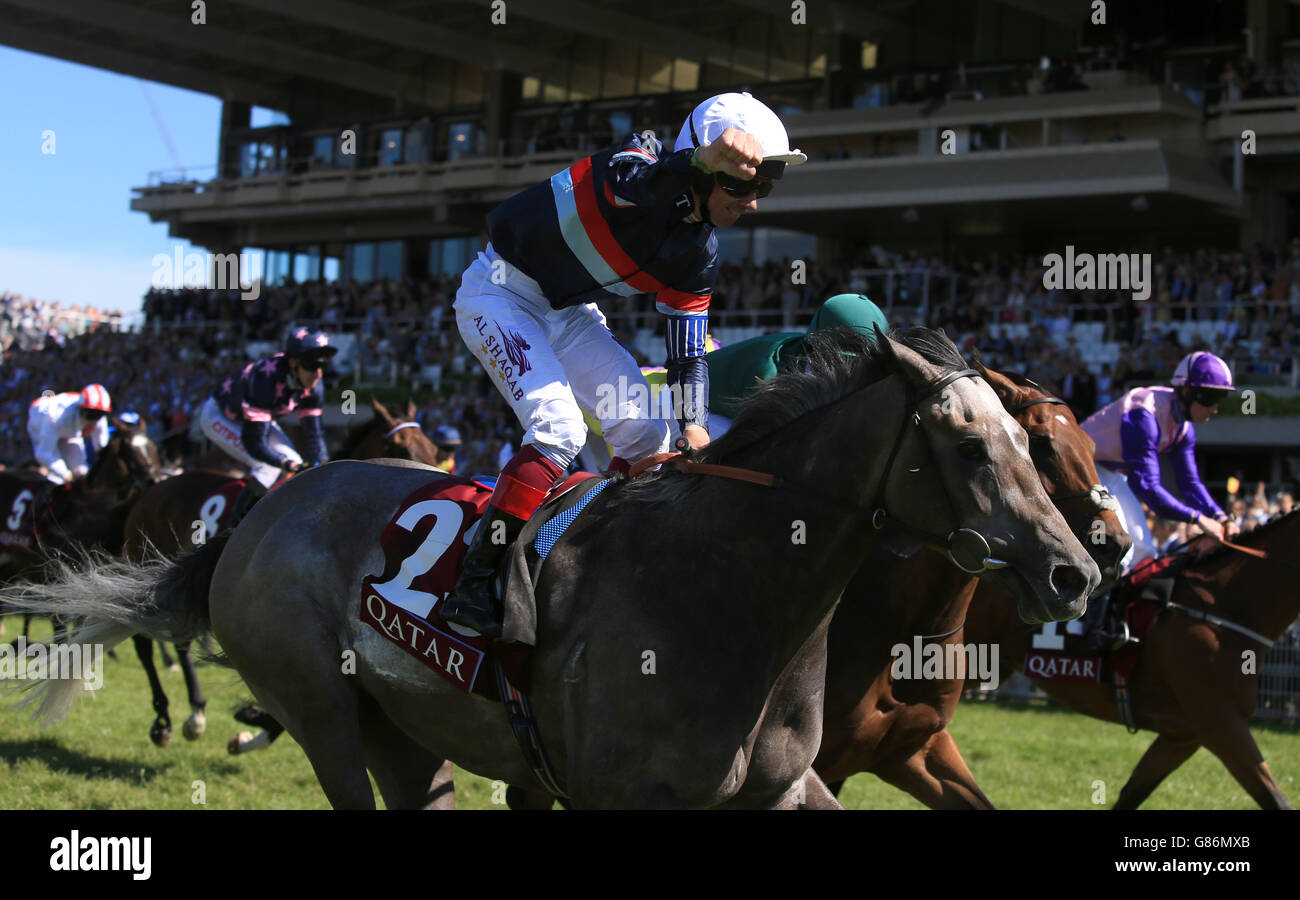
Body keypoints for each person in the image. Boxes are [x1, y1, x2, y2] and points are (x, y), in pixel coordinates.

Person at [441, 92, 806, 638]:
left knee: (645, 432)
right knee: (559, 429)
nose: (753, 202)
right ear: (702, 166)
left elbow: (687, 354)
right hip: (499, 294)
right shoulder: (636, 158)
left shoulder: (699, 253)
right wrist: (701, 163)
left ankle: (580, 555)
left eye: (764, 186)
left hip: (566, 313)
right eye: (742, 184)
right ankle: (475, 580)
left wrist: (696, 427)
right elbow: (641, 186)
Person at [1075, 350, 1241, 651]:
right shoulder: (1145, 415)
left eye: (1220, 400)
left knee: (1144, 550)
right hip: (1081, 465)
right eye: (1209, 398)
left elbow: (1190, 484)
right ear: (1187, 391)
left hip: (1109, 471)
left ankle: (1125, 624)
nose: (1214, 408)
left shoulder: (1183, 427)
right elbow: (1148, 487)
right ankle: (1092, 630)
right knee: (1121, 548)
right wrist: (1198, 519)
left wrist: (1221, 516)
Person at [200, 327, 338, 519]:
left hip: (254, 419)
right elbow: (256, 446)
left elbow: (314, 434)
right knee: (269, 466)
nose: (318, 374)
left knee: (297, 462)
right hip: (218, 416)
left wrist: (322, 467)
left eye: (322, 366)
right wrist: (285, 463)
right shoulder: (266, 380)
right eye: (312, 366)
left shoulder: (314, 386)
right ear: (293, 363)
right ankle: (233, 528)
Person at [27, 383, 113, 484]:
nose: (94, 420)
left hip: (70, 432)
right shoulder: (56, 417)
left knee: (82, 472)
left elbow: (102, 449)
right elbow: (43, 453)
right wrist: (67, 475)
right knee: (57, 478)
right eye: (91, 414)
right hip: (40, 423)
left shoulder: (100, 419)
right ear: (81, 409)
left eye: (98, 415)